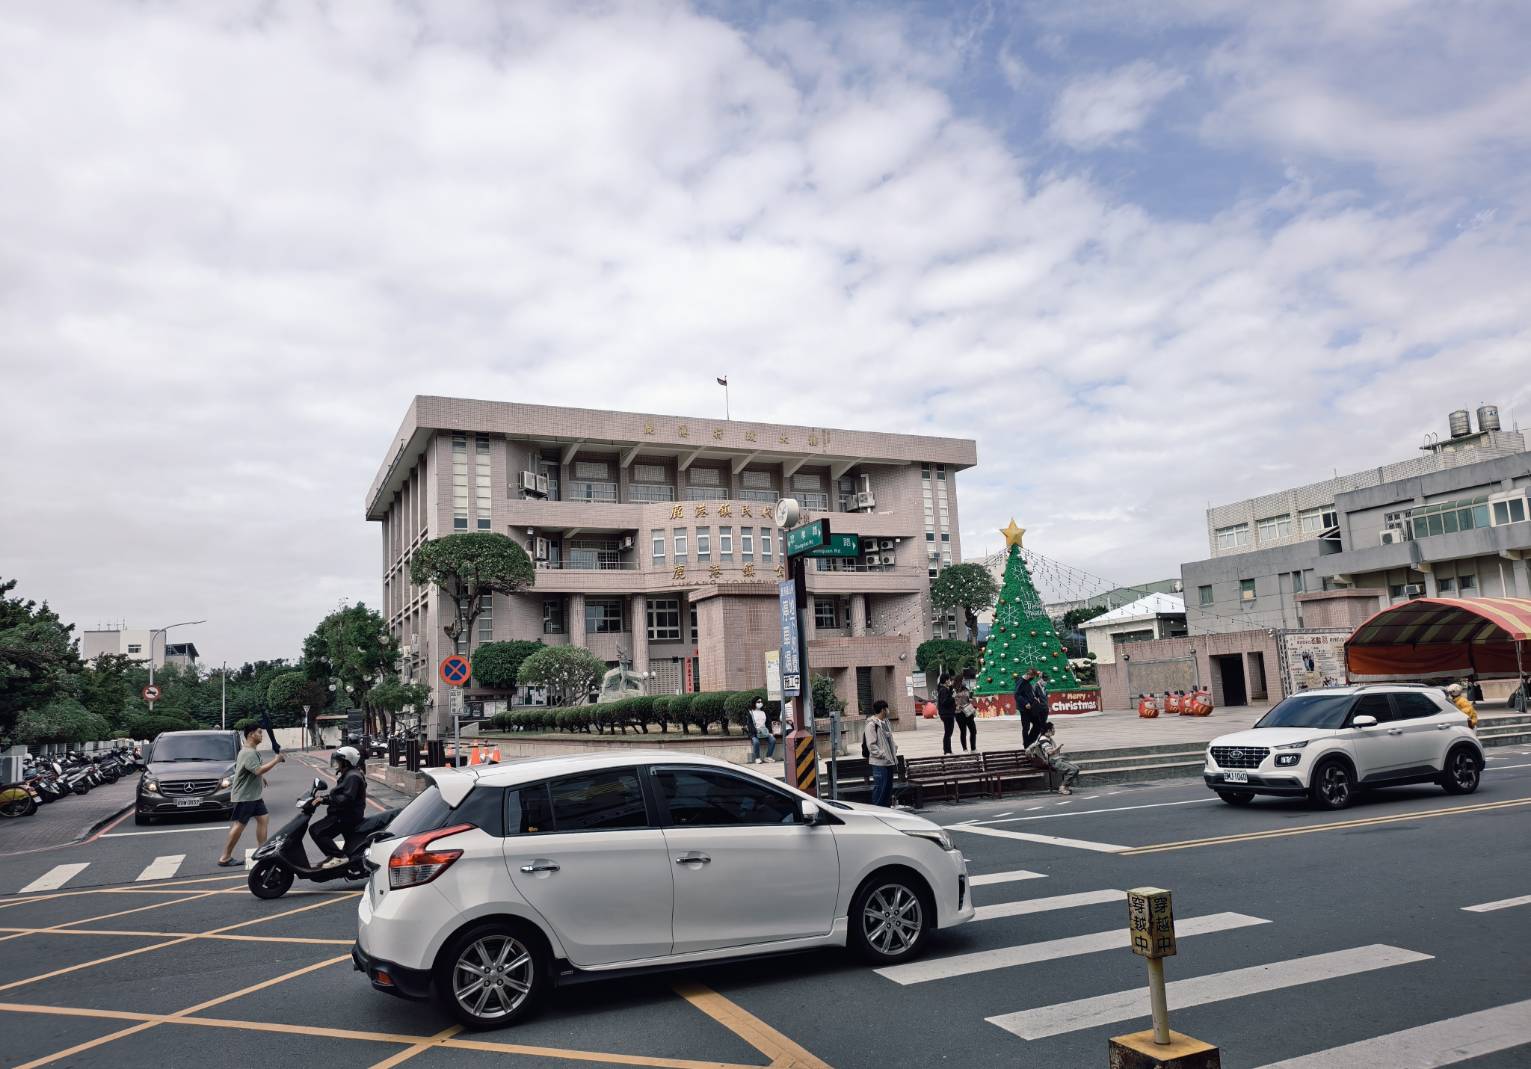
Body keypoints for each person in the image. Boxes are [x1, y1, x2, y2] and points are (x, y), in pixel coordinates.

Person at [217, 723, 284, 867]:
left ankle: (262, 852)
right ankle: (225, 857)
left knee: (263, 819)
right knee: (239, 826)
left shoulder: (250, 751)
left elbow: (250, 770)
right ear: (251, 734)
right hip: (245, 796)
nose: (261, 735)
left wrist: (260, 778)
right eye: (259, 732)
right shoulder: (248, 752)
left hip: (253, 796)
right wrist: (276, 760)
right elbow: (258, 770)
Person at [310, 745, 367, 868]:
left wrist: (325, 799)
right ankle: (336, 855)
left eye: (339, 761)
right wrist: (323, 798)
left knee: (317, 831)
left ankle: (338, 857)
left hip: (345, 816)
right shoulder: (349, 774)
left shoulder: (353, 777)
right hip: (343, 814)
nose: (337, 763)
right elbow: (340, 794)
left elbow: (345, 799)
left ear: (347, 762)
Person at [1027, 721, 1079, 795]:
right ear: (1048, 730)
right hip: (1053, 762)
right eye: (1053, 728)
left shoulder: (1046, 738)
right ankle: (1062, 787)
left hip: (1056, 760)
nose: (1054, 730)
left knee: (1076, 768)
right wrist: (1058, 747)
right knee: (1073, 769)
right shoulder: (1043, 740)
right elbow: (1049, 752)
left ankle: (1065, 786)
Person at [864, 700, 898, 807]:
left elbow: (889, 740)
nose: (888, 711)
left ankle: (886, 810)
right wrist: (882, 754)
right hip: (879, 763)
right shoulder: (871, 725)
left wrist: (894, 749)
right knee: (880, 789)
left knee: (887, 789)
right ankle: (877, 811)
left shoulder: (886, 722)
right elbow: (871, 745)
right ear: (883, 710)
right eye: (887, 708)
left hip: (889, 762)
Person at [1015, 668, 1048, 749]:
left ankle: (1031, 741)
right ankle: (1026, 746)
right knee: (1026, 727)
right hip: (1025, 709)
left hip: (1031, 707)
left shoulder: (1027, 680)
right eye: (1031, 676)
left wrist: (1039, 673)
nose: (1032, 678)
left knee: (1038, 724)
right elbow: (1017, 695)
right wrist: (1025, 703)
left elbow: (1035, 673)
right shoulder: (1021, 682)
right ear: (1028, 675)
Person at [747, 697, 775, 764]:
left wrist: (770, 732)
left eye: (761, 702)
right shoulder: (751, 713)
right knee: (756, 742)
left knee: (773, 740)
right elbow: (749, 725)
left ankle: (768, 757)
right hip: (754, 732)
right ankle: (757, 758)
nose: (760, 703)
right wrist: (755, 732)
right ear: (754, 703)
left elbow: (768, 722)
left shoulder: (764, 712)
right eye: (758, 702)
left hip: (764, 732)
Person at [954, 675, 977, 752]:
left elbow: (969, 700)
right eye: (963, 680)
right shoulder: (954, 690)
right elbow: (952, 701)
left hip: (968, 712)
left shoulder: (966, 689)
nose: (964, 681)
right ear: (959, 681)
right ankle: (965, 749)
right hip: (959, 713)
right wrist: (956, 706)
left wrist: (971, 700)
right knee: (963, 731)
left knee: (973, 730)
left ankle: (973, 748)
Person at [936, 674, 957, 754]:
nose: (950, 681)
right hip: (947, 714)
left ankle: (948, 750)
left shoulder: (944, 689)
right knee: (948, 733)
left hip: (947, 714)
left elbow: (949, 695)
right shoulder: (943, 690)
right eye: (948, 679)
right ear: (945, 680)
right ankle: (947, 751)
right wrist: (953, 697)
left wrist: (951, 688)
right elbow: (945, 702)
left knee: (948, 733)